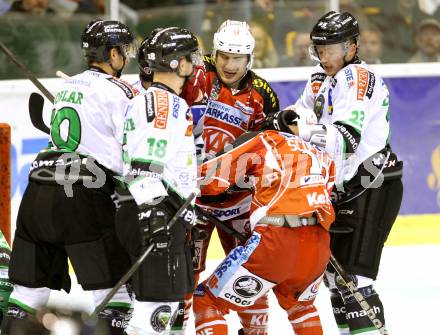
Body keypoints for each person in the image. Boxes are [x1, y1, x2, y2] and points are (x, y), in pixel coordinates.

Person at [2, 19, 138, 334]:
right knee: (115, 293)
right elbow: (129, 152)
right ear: (113, 53)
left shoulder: (67, 85)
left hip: (37, 189)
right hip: (82, 194)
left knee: (26, 294)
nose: (127, 58)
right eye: (124, 52)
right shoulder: (121, 92)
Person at [281, 11, 404, 335]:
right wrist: (284, 121)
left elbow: (347, 140)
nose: (324, 57)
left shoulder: (359, 78)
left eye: (331, 49)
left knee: (354, 279)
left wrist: (301, 130)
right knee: (336, 281)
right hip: (343, 188)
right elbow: (296, 114)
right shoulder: (320, 81)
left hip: (372, 183)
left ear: (352, 47)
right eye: (319, 49)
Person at [194, 127, 336, 335]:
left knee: (206, 300)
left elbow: (210, 179)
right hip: (319, 243)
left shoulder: (268, 139)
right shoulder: (323, 155)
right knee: (301, 307)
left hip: (277, 239)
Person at [191, 19, 280, 335]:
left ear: (249, 58)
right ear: (215, 52)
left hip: (239, 202)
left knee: (247, 271)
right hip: (193, 199)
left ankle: (256, 331)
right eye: (224, 55)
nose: (229, 64)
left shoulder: (262, 94)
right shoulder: (196, 74)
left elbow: (269, 150)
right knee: (185, 273)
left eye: (237, 57)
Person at [115, 26, 200, 335]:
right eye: (190, 57)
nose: (194, 64)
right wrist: (155, 212)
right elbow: (144, 165)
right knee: (156, 312)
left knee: (155, 308)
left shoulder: (144, 99)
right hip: (157, 211)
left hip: (142, 209)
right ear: (177, 62)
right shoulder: (168, 104)